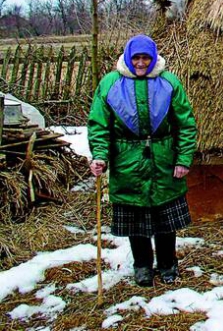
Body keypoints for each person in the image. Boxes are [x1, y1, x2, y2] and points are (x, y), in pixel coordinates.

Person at [87, 34, 197, 286]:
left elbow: (185, 124)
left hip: (164, 159)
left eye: (145, 57)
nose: (140, 62)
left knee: (165, 218)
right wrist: (100, 155)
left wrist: (183, 159)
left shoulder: (169, 83)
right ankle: (142, 266)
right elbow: (99, 125)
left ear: (153, 58)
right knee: (135, 218)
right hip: (128, 161)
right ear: (128, 57)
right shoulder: (110, 84)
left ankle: (168, 265)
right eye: (136, 57)